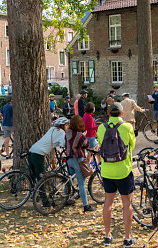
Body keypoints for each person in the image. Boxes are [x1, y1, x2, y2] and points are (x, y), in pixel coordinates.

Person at [97, 103, 136, 247]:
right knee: (127, 203)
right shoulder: (127, 127)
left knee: (108, 203)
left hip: (107, 171)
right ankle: (127, 238)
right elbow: (132, 145)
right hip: (123, 171)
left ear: (108, 113)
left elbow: (100, 145)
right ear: (122, 113)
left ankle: (107, 235)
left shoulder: (101, 128)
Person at [64, 115, 96, 212]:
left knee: (69, 180)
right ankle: (86, 205)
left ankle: (66, 198)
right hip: (78, 160)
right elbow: (87, 144)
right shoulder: (79, 136)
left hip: (69, 159)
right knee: (81, 184)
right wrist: (85, 135)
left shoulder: (67, 133)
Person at [29, 117, 69, 183]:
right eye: (66, 125)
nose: (67, 127)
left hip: (32, 150)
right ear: (62, 125)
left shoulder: (52, 129)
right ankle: (42, 193)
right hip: (38, 154)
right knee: (41, 177)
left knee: (33, 175)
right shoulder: (61, 132)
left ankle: (32, 190)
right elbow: (63, 144)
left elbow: (53, 141)